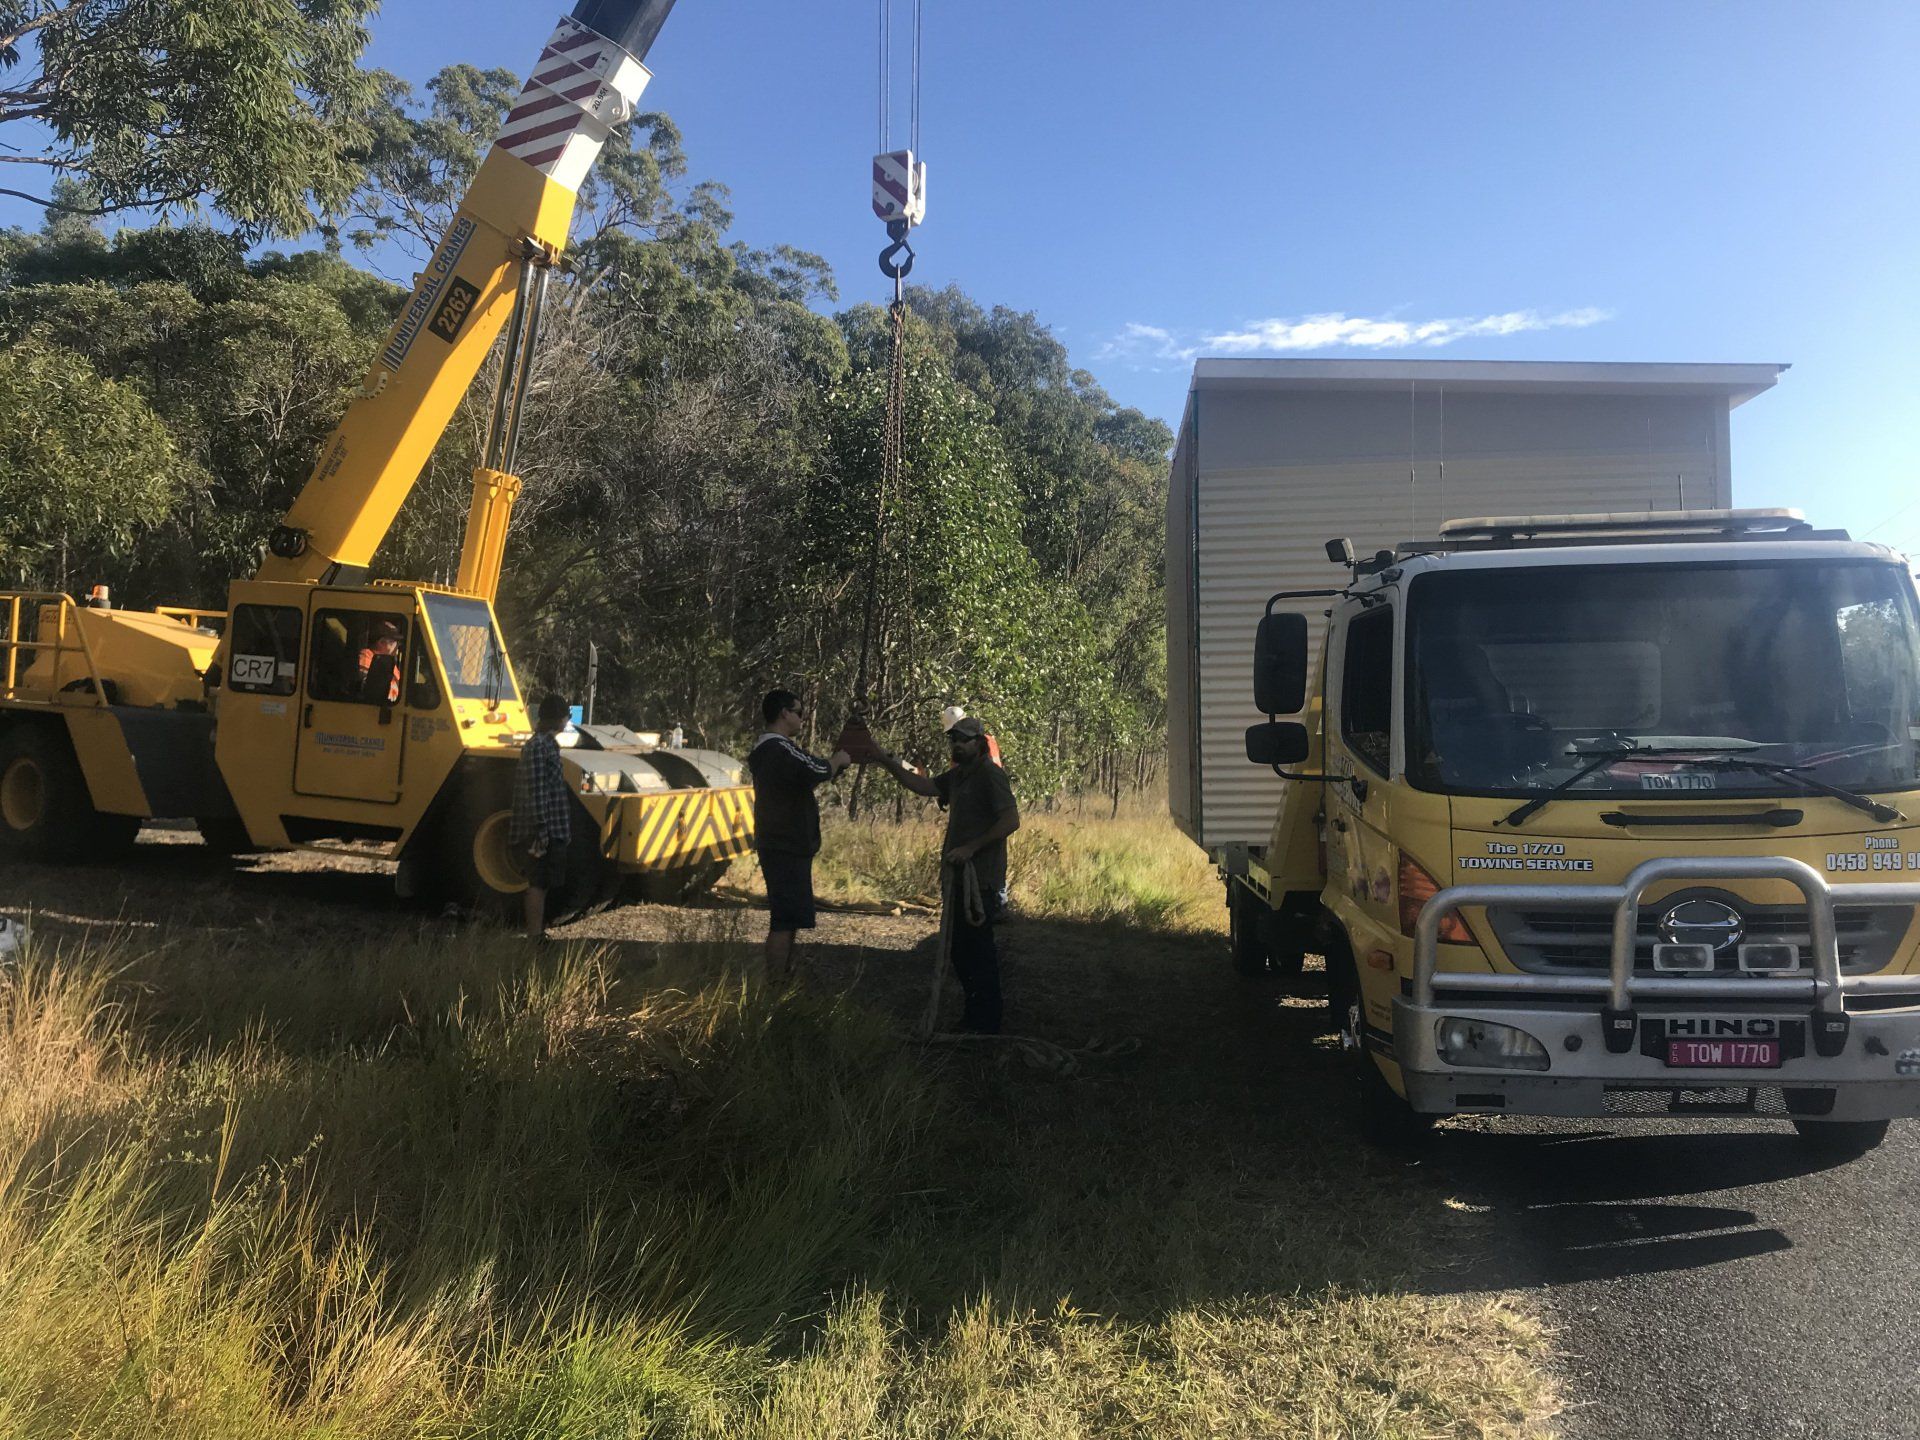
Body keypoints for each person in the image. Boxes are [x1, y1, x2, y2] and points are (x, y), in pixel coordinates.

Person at [878, 712, 1021, 1033]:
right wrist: (884, 760)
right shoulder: (960, 776)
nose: (955, 744)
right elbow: (925, 785)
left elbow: (1011, 820)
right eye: (952, 739)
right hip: (957, 878)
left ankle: (986, 1022)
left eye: (962, 740)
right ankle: (975, 1016)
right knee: (960, 950)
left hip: (981, 880)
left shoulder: (989, 775)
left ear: (979, 744)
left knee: (978, 951)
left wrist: (972, 847)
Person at [749, 689, 851, 978]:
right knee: (783, 920)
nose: (803, 718)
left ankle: (781, 977)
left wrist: (832, 766)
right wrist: (838, 759)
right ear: (784, 713)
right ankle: (776, 982)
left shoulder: (770, 752)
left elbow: (806, 775)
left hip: (781, 844)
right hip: (786, 845)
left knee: (789, 918)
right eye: (799, 712)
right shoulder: (779, 749)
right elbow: (815, 768)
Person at [509, 691, 572, 941]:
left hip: (551, 827)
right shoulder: (537, 748)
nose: (566, 722)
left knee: (544, 883)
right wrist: (541, 832)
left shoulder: (548, 745)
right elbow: (537, 792)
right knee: (537, 883)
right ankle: (534, 935)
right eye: (565, 717)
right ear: (557, 719)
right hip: (541, 830)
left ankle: (538, 932)